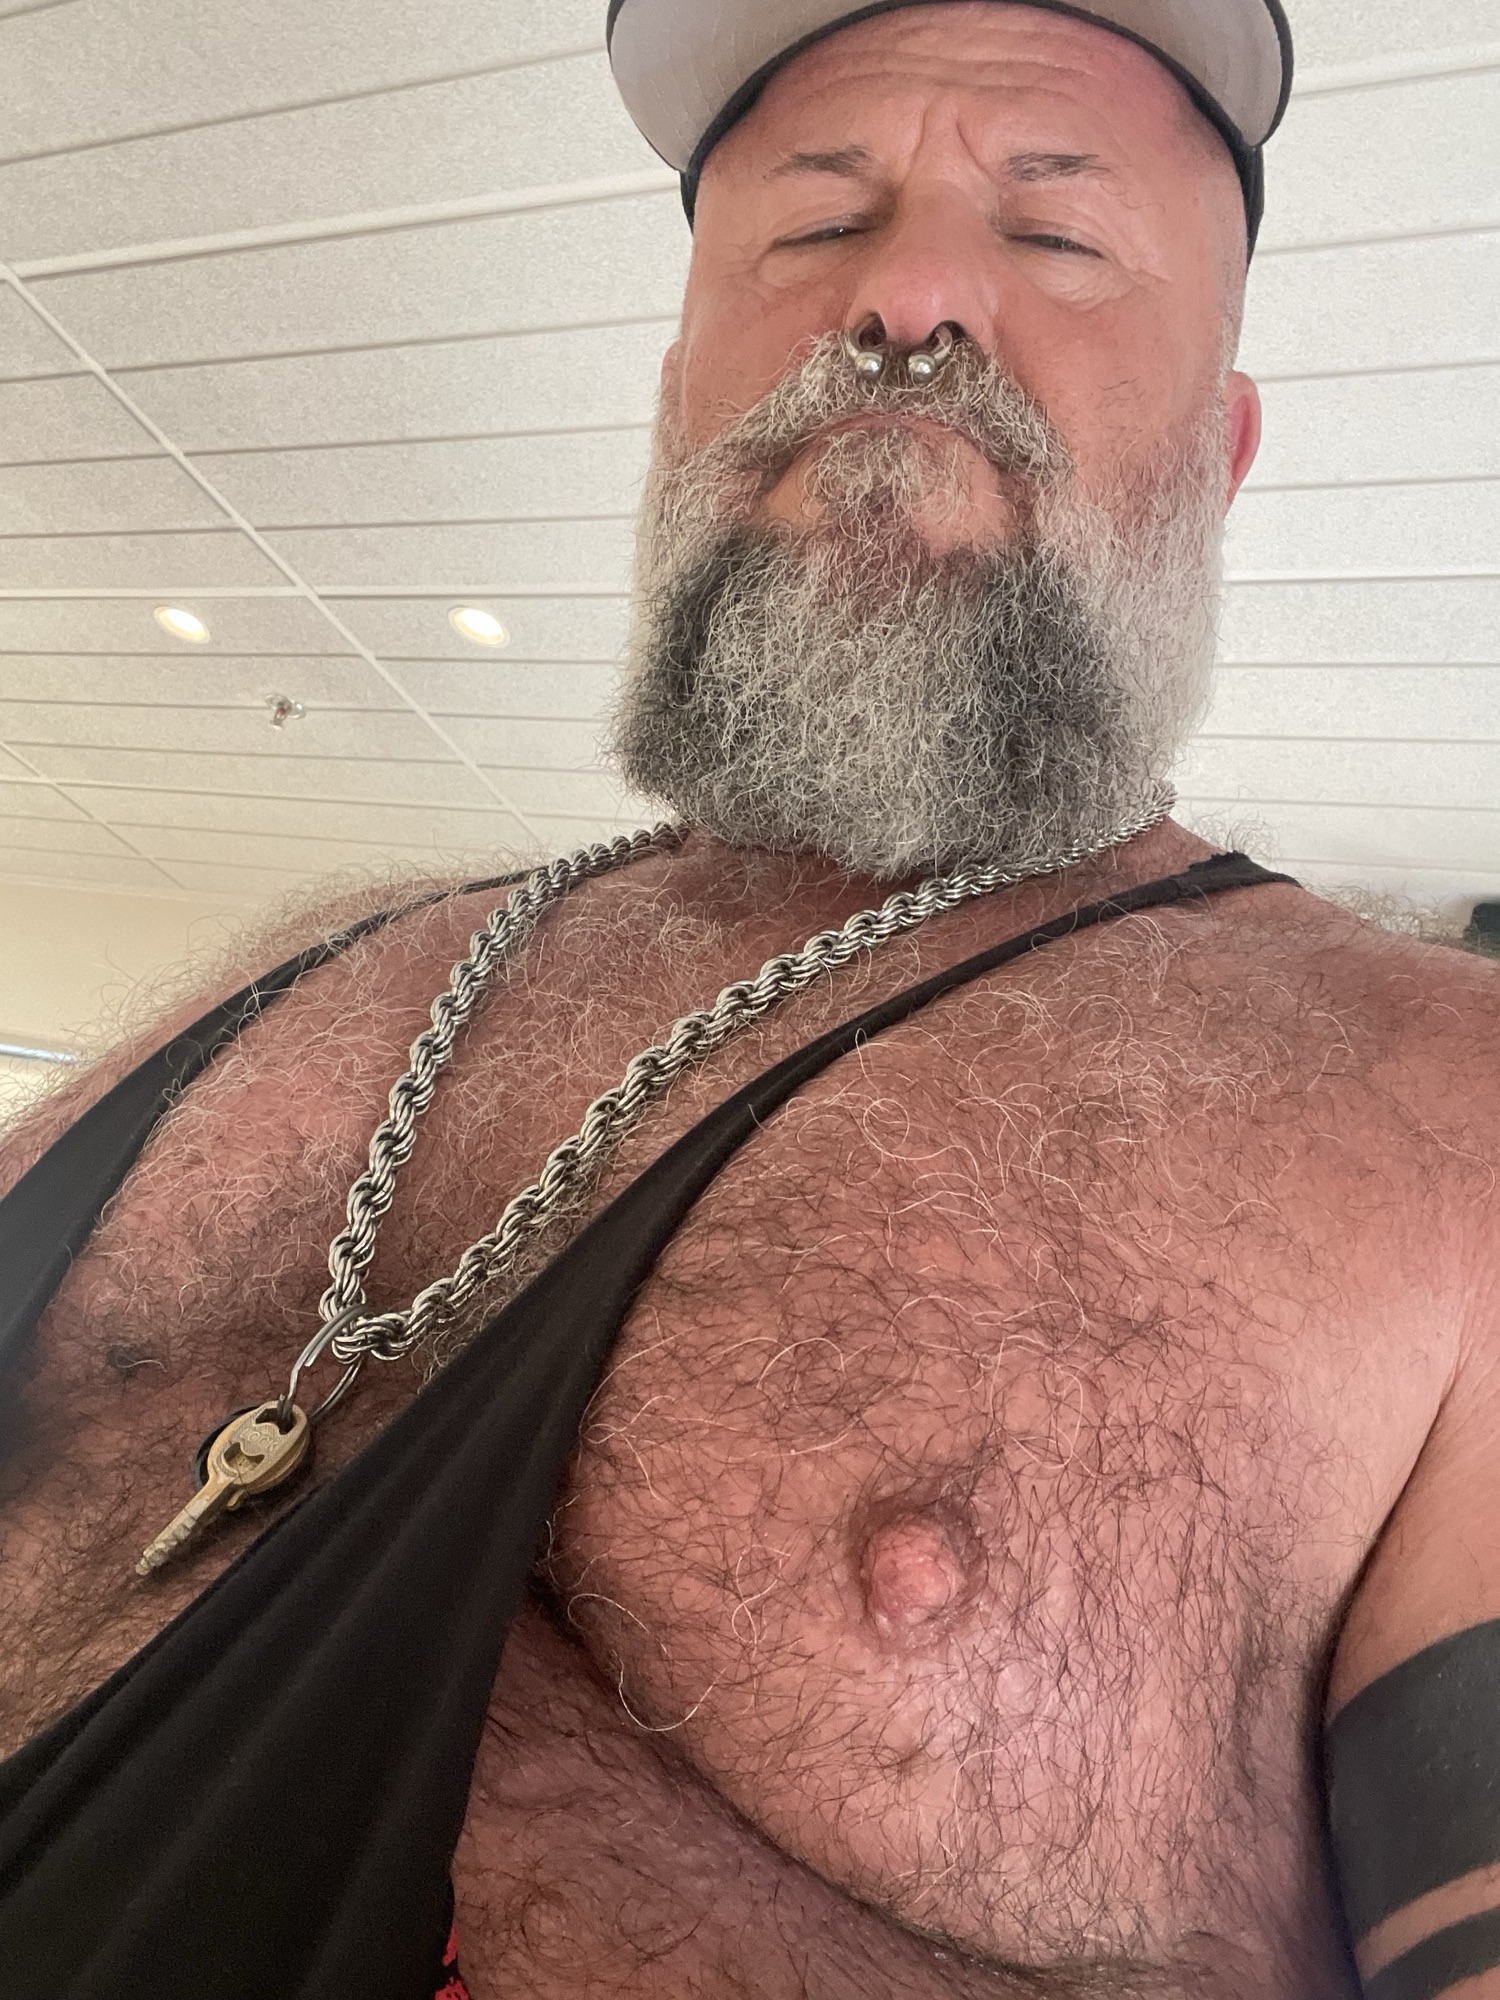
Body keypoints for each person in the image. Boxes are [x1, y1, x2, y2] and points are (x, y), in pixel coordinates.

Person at [1, 5, 1496, 1996]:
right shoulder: (291, 982)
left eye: (1054, 232)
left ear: (1219, 457)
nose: (906, 300)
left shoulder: (1457, 1128)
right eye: (815, 224)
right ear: (673, 403)